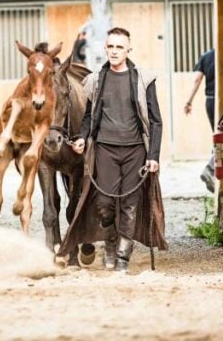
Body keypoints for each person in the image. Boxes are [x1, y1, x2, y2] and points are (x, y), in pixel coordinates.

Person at [70, 27, 165, 272]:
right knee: (105, 204)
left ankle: (122, 256)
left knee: (129, 204)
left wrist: (153, 156)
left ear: (128, 49)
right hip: (105, 149)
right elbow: (90, 116)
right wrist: (82, 137)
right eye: (110, 47)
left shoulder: (144, 79)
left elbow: (155, 120)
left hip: (135, 151)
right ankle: (110, 244)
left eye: (119, 47)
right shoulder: (96, 81)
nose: (114, 51)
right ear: (105, 48)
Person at [184, 49, 216, 192]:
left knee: (218, 136)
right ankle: (211, 168)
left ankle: (214, 169)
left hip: (210, 101)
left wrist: (189, 101)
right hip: (221, 100)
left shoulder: (206, 56)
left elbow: (197, 79)